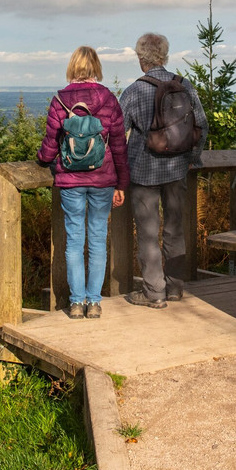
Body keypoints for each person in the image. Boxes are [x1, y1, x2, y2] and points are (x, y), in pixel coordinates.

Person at [37, 46, 129, 319]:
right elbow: (120, 147)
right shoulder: (109, 100)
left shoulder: (60, 100)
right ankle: (94, 303)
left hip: (70, 180)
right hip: (103, 179)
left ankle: (76, 303)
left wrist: (43, 160)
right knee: (98, 240)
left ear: (72, 67)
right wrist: (121, 184)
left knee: (74, 241)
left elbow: (51, 143)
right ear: (96, 68)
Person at [119, 32, 207, 308]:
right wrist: (193, 156)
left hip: (144, 172)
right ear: (165, 56)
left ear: (141, 58)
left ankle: (153, 292)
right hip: (178, 168)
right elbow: (201, 125)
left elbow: (118, 131)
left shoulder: (134, 91)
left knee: (147, 233)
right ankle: (175, 288)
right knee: (174, 229)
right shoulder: (184, 85)